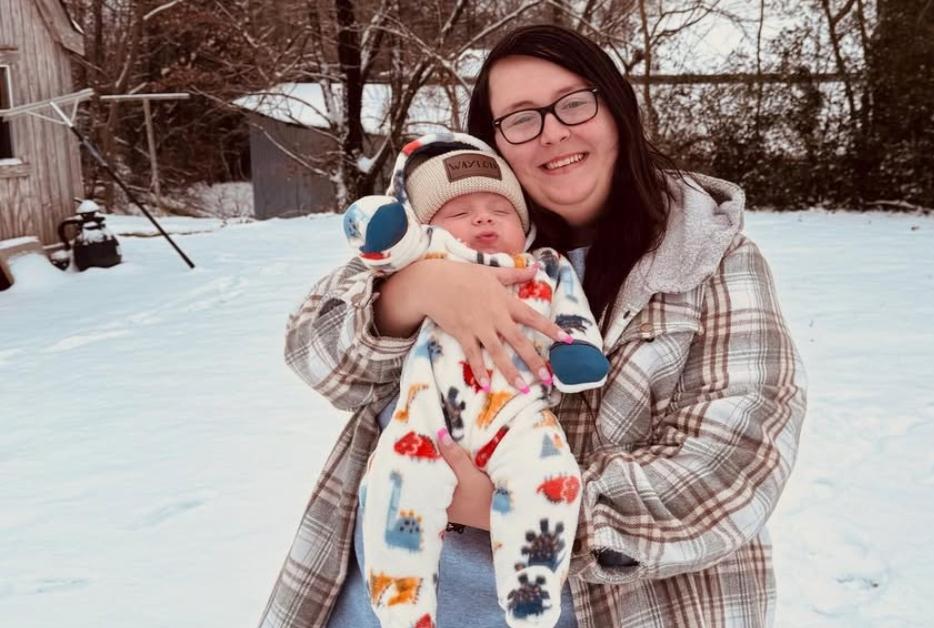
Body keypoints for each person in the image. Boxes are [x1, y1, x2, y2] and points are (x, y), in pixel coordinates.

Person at [261, 23, 805, 628]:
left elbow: (736, 464)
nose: (553, 132)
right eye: (520, 119)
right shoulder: (454, 225)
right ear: (493, 141)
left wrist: (516, 502)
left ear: (617, 109)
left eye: (574, 103)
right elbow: (317, 358)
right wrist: (417, 288)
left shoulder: (708, 256)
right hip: (375, 608)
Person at [343, 131, 606, 628]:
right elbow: (384, 248)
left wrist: (574, 351)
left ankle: (532, 595)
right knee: (395, 488)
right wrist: (384, 232)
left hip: (519, 415)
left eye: (500, 210)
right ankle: (403, 606)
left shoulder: (544, 267)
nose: (483, 218)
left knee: (552, 478)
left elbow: (570, 314)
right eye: (460, 212)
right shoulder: (426, 262)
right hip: (428, 415)